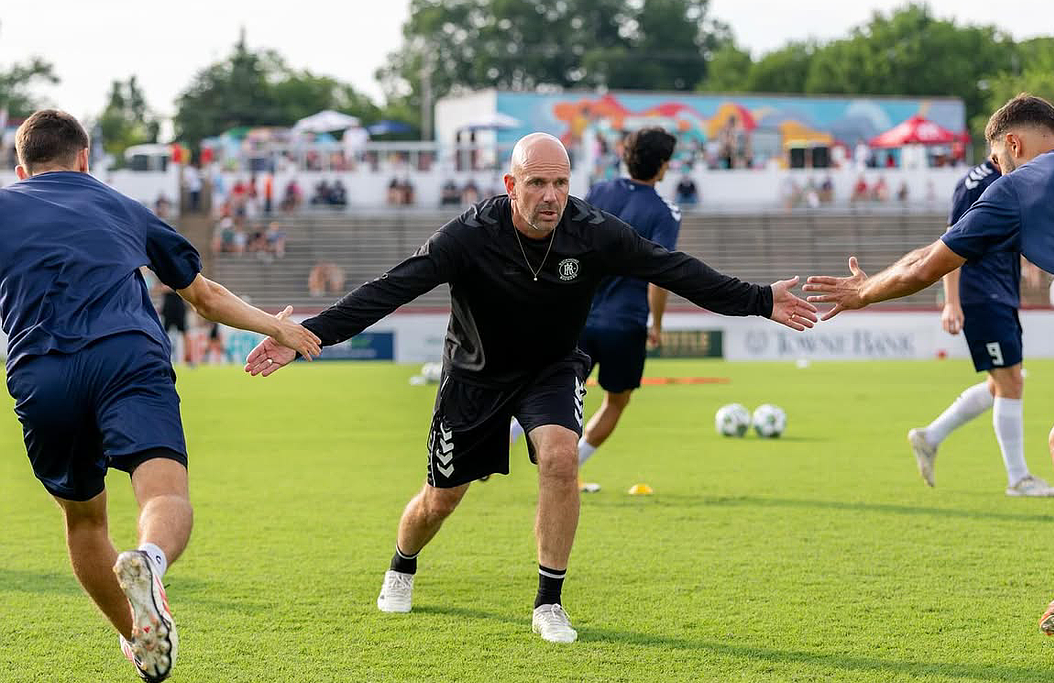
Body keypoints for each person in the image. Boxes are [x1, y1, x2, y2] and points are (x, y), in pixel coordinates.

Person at [245, 132, 818, 644]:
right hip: (474, 375)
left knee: (562, 458)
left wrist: (760, 300)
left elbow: (673, 268)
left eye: (561, 183)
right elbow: (389, 290)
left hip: (552, 368)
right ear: (510, 184)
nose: (551, 196)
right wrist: (305, 336)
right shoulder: (468, 235)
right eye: (538, 183)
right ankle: (402, 563)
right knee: (440, 501)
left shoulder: (591, 231)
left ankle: (549, 601)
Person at [0, 110, 321, 683]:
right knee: (163, 489)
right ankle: (150, 561)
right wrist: (275, 328)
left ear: (20, 169)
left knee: (84, 522)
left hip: (41, 370)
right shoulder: (120, 205)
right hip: (127, 354)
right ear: (84, 159)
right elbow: (203, 294)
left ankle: (140, 642)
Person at [802, 94, 1054, 647]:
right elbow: (937, 246)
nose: (998, 168)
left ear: (1012, 143)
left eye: (998, 156)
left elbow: (930, 264)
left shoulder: (1015, 188)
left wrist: (864, 291)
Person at [907, 158, 1054, 497]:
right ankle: (1018, 479)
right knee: (1010, 381)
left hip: (1000, 293)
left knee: (1001, 383)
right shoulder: (975, 182)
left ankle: (930, 437)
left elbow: (999, 232)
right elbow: (952, 241)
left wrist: (1026, 258)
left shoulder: (1009, 178)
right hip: (981, 295)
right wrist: (951, 301)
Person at [572, 127, 682, 492]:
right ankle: (570, 470)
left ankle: (504, 438)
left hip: (579, 315)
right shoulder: (664, 212)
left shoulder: (599, 191)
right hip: (625, 322)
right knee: (617, 400)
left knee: (552, 390)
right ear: (663, 166)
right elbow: (660, 276)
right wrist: (657, 323)